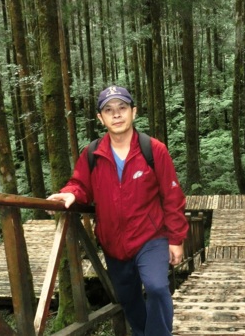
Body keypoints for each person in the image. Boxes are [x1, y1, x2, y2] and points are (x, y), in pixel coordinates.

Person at [48, 85, 188, 336]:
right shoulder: (93, 154)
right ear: (100, 118)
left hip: (150, 237)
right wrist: (71, 193)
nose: (116, 114)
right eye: (109, 110)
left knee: (157, 287)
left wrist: (176, 239)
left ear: (133, 112)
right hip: (113, 242)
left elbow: (172, 196)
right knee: (128, 298)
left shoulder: (153, 150)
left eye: (122, 108)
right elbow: (80, 184)